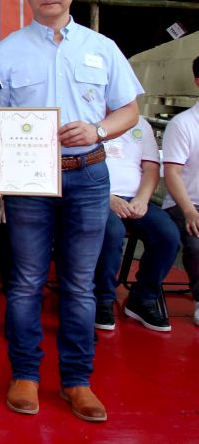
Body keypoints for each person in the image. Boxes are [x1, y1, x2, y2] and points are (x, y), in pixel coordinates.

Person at [0, 0, 142, 423]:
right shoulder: (6, 52)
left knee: (80, 284)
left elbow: (128, 110)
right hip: (29, 179)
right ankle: (25, 374)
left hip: (88, 173)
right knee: (26, 282)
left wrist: (100, 130)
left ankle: (77, 381)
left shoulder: (101, 47)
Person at [93, 116, 178, 332]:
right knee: (112, 232)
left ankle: (142, 298)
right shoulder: (86, 116)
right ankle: (102, 299)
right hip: (95, 197)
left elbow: (150, 168)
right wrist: (108, 198)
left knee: (167, 235)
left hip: (135, 198)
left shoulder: (139, 123)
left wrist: (142, 198)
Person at [161, 55, 199, 328]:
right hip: (186, 202)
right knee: (197, 241)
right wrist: (189, 211)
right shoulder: (184, 124)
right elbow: (172, 174)